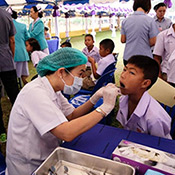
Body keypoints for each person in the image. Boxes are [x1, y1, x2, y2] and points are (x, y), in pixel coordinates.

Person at [6, 47, 120, 175]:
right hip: (30, 166)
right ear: (61, 72)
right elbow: (66, 133)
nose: (81, 79)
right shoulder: (35, 93)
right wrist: (104, 109)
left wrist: (94, 98)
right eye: (80, 73)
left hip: (48, 156)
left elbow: (71, 115)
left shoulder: (54, 89)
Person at [116, 55, 171, 139]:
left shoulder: (155, 118)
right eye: (124, 69)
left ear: (145, 83)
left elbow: (159, 146)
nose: (123, 75)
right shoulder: (123, 100)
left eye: (131, 73)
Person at [0, 8, 19, 143]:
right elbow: (12, 40)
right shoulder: (6, 15)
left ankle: (1, 133)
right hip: (6, 60)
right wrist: (11, 56)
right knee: (15, 96)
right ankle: (22, 126)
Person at [121, 0, 159, 65]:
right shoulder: (150, 21)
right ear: (148, 6)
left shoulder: (125, 21)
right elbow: (153, 41)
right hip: (145, 57)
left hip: (128, 57)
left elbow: (123, 40)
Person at [11, 10, 30, 85]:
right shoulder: (23, 26)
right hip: (22, 53)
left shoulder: (6, 26)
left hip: (11, 54)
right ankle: (25, 86)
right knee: (23, 73)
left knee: (12, 75)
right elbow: (27, 38)